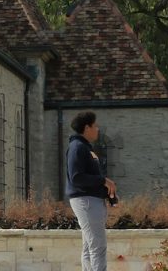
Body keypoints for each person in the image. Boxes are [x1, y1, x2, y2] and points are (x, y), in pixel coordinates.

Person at [66, 112, 117, 271]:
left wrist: (106, 192)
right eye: (95, 125)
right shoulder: (77, 147)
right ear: (87, 127)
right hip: (86, 201)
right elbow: (77, 177)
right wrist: (103, 180)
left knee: (89, 246)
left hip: (90, 200)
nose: (97, 129)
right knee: (98, 246)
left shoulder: (85, 148)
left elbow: (88, 177)